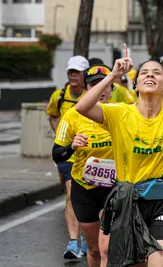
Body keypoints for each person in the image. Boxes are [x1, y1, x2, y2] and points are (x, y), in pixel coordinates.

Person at [76, 44, 163, 266]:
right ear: (135, 84)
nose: (150, 75)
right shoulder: (119, 113)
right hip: (128, 202)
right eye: (144, 72)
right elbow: (83, 107)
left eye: (157, 73)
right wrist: (113, 75)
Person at [52, 64, 114, 266]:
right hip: (84, 187)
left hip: (113, 188)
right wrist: (72, 146)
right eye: (94, 84)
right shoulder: (72, 115)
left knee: (107, 246)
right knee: (95, 249)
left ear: (111, 87)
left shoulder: (121, 112)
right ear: (87, 88)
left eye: (104, 84)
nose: (101, 89)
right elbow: (57, 155)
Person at [46, 55, 89, 259]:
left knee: (89, 197)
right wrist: (60, 136)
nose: (73, 76)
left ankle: (90, 240)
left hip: (91, 154)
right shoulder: (59, 95)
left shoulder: (93, 95)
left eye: (77, 72)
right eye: (70, 72)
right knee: (71, 194)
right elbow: (52, 115)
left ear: (84, 75)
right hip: (68, 153)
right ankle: (73, 242)